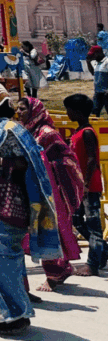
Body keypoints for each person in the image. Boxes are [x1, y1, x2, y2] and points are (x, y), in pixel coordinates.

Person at [0, 79, 62, 333]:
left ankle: (16, 314)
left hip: (2, 204)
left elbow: (28, 164)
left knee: (3, 258)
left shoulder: (11, 130)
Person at [18, 96, 86, 288]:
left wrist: (45, 166)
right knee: (40, 230)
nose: (19, 112)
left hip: (52, 190)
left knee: (52, 230)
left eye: (23, 109)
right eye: (18, 109)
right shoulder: (27, 132)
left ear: (34, 111)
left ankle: (56, 274)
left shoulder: (47, 134)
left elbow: (66, 160)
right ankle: (60, 270)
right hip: (35, 188)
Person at [64, 93, 106, 276]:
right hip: (79, 185)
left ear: (78, 111)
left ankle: (92, 264)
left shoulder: (87, 132)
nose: (67, 113)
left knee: (93, 223)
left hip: (89, 186)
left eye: (69, 110)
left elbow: (91, 159)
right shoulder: (77, 132)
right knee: (77, 221)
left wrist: (86, 184)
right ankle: (101, 251)